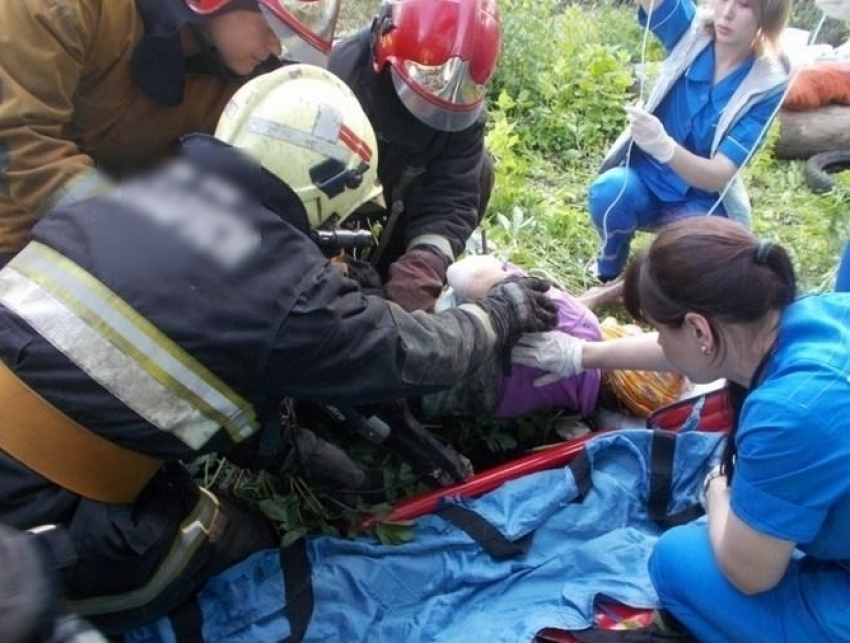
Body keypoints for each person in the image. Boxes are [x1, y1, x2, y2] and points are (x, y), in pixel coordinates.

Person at [0, 65, 557, 634]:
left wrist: (295, 450)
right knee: (245, 541)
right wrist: (499, 314)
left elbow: (195, 355)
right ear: (326, 190)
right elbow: (417, 352)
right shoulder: (288, 288)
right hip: (34, 525)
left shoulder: (127, 191)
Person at [513, 217, 850, 641]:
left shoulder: (790, 413)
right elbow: (689, 351)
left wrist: (716, 490)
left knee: (676, 560)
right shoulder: (823, 314)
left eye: (657, 328)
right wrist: (582, 354)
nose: (658, 340)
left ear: (699, 329)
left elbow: (751, 575)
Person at [0, 0, 342, 266]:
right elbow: (19, 140)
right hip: (14, 229)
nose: (277, 46)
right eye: (270, 25)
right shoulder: (70, 8)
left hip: (107, 248)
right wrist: (131, 230)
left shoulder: (246, 87)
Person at [587, 0, 791, 282]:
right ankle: (609, 265)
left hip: (701, 197)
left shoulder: (766, 84)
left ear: (767, 18)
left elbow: (719, 175)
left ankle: (657, 272)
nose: (727, 12)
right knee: (610, 192)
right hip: (645, 177)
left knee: (696, 257)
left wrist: (663, 146)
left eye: (744, 5)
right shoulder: (690, 30)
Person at [327, 0, 501, 312]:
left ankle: (394, 275)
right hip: (339, 188)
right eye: (428, 88)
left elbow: (452, 198)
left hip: (405, 195)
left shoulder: (465, 110)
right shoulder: (339, 72)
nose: (432, 114)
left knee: (480, 172)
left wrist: (422, 267)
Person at [426, 255, 686, 421]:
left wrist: (496, 281)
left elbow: (459, 270)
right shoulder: (586, 406)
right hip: (461, 395)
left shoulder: (581, 322)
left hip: (443, 331)